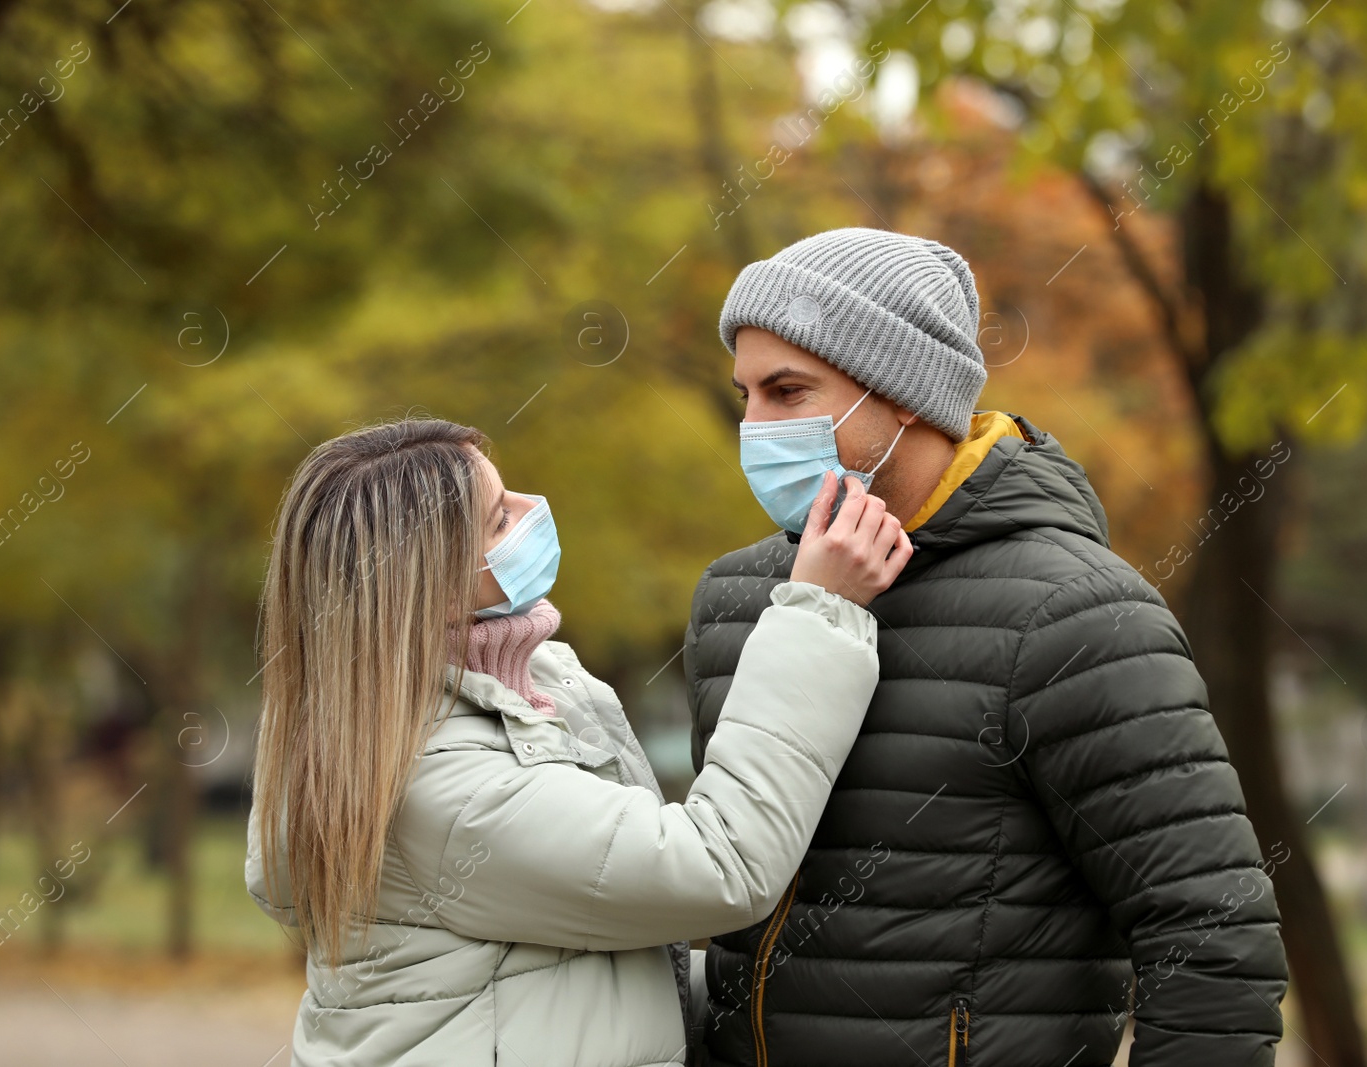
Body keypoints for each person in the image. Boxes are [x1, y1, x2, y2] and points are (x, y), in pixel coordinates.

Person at [684, 228, 1290, 1066]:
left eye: (788, 391)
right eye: (745, 392)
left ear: (903, 394)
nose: (753, 424)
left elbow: (1212, 938)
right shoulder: (734, 602)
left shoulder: (1081, 615)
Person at [244, 416, 911, 1067]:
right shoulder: (444, 790)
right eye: (500, 517)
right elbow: (719, 862)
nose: (534, 509)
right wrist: (821, 609)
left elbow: (568, 972)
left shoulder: (506, 692)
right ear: (433, 588)